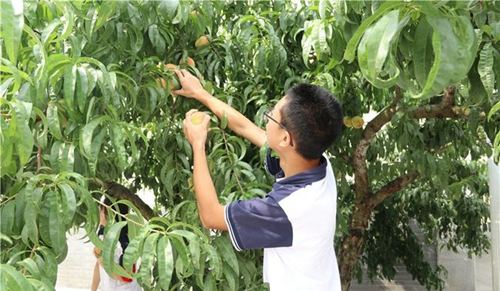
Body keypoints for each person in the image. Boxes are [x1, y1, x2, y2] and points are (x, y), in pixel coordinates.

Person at [174, 69, 343, 291]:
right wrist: (200, 93)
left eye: (272, 114)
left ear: (285, 138)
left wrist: (197, 144)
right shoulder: (316, 161)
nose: (267, 115)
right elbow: (247, 128)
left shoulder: (289, 209)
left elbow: (211, 216)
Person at [91, 196, 141, 291]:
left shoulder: (126, 240)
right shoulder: (103, 234)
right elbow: (98, 264)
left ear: (110, 215)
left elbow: (127, 276)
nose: (99, 214)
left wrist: (101, 260)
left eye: (101, 211)